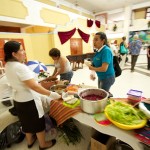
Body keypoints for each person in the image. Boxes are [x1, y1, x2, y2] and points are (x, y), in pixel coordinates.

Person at [4, 41, 61, 150]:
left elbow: (27, 81)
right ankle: (43, 144)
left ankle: (30, 142)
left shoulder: (8, 65)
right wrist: (52, 94)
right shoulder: (20, 67)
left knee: (26, 122)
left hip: (18, 100)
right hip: (29, 101)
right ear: (14, 54)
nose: (24, 52)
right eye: (21, 50)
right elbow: (34, 87)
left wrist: (42, 80)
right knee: (38, 123)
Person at [85, 32, 115, 97]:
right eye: (93, 40)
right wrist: (92, 73)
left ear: (103, 41)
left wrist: (92, 68)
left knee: (102, 95)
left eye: (96, 40)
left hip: (107, 78)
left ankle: (107, 101)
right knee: (100, 92)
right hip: (101, 76)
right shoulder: (98, 51)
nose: (94, 42)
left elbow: (104, 68)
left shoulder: (106, 51)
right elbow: (95, 64)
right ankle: (108, 95)